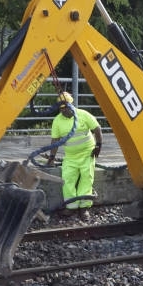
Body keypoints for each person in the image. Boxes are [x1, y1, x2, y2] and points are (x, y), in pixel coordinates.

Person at [49, 91, 103, 219]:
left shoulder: (83, 115)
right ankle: (71, 207)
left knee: (86, 177)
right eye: (61, 108)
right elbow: (55, 141)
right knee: (67, 179)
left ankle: (84, 208)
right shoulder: (57, 121)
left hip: (87, 153)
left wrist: (98, 146)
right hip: (71, 157)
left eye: (66, 107)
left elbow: (97, 128)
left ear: (71, 105)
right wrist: (51, 158)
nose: (64, 111)